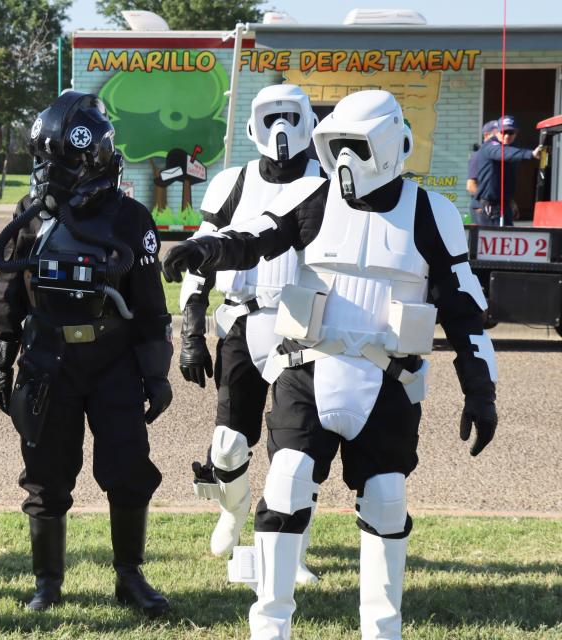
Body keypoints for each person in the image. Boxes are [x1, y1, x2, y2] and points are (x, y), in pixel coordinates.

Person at [162, 90, 497, 640]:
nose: (343, 159)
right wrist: (206, 252)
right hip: (309, 368)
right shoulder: (317, 200)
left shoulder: (431, 213)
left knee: (387, 500)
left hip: (390, 379)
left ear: (392, 145)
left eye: (355, 145)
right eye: (334, 144)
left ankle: (381, 631)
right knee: (286, 484)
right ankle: (269, 628)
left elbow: (463, 305)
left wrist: (480, 389)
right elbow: (257, 238)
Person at [0, 91, 174, 617]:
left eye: (57, 161)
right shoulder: (27, 217)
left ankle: (129, 577)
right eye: (42, 161)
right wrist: (1, 359)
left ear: (86, 156)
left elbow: (151, 304)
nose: (47, 172)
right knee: (45, 474)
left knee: (128, 469)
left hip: (112, 364)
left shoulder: (130, 218)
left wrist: (156, 374)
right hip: (47, 362)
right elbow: (8, 294)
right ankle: (47, 584)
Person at [179, 84, 319, 584]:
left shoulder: (324, 183)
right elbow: (201, 253)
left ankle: (293, 554)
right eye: (271, 116)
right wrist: (190, 329)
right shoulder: (232, 182)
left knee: (295, 453)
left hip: (303, 330)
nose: (281, 128)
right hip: (241, 322)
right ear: (255, 124)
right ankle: (232, 512)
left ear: (307, 119)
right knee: (227, 445)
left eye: (290, 115)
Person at [474, 115, 541, 226]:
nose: (506, 136)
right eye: (503, 132)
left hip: (504, 204)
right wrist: (531, 154)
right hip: (489, 207)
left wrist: (510, 201)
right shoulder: (490, 145)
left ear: (516, 133)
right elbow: (503, 153)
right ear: (497, 132)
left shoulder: (512, 147)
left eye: (510, 133)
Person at [466, 119, 498, 201]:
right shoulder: (478, 155)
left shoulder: (497, 156)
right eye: (495, 136)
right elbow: (471, 185)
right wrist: (484, 201)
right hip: (482, 207)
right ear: (486, 135)